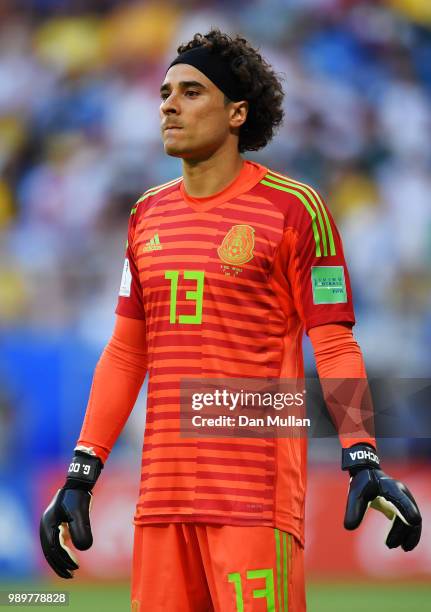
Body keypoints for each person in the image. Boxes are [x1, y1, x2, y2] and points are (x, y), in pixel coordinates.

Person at [40, 30, 422, 611]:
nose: (168, 104)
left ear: (237, 112)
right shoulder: (146, 214)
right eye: (166, 91)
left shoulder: (295, 210)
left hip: (252, 499)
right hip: (161, 499)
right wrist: (82, 471)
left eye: (191, 91)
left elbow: (335, 342)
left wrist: (361, 453)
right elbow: (126, 352)